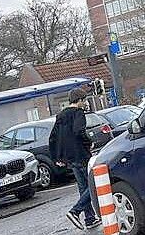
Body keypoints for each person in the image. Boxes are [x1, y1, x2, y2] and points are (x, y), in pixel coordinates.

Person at [49, 88, 100, 230]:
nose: (85, 103)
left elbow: (53, 138)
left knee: (83, 187)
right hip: (81, 155)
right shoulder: (78, 113)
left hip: (70, 158)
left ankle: (89, 219)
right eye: (84, 100)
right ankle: (75, 211)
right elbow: (79, 131)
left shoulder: (61, 116)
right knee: (94, 185)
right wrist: (89, 142)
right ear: (80, 100)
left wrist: (57, 157)